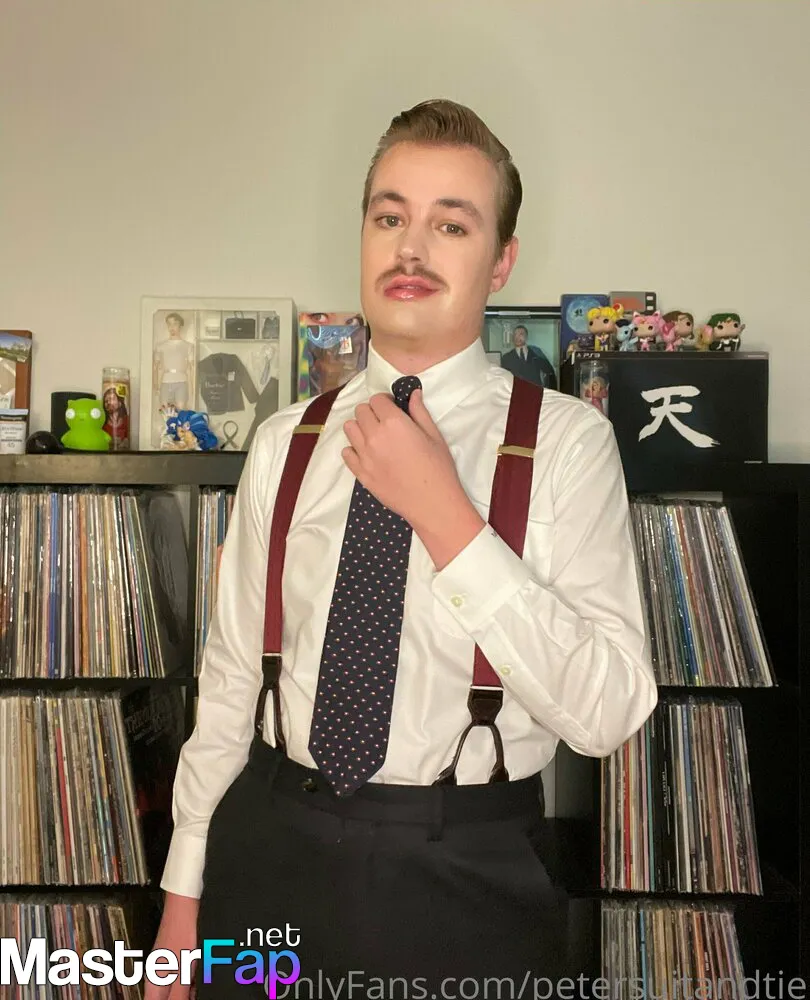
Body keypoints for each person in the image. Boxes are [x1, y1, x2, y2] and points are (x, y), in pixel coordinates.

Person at [147, 98, 657, 999]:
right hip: (269, 850)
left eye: (450, 225)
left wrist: (445, 516)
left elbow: (610, 709)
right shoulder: (286, 442)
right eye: (389, 217)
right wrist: (182, 901)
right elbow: (229, 685)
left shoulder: (568, 444)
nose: (410, 248)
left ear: (501, 260)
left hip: (471, 874)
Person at [500, 324, 557, 388]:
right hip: (515, 392)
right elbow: (502, 379)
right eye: (515, 334)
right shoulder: (506, 358)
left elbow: (549, 372)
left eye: (521, 334)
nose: (517, 337)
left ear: (526, 336)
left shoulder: (537, 354)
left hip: (535, 391)